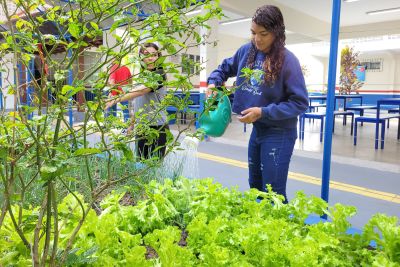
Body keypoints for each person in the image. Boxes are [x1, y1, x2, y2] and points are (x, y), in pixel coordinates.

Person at [207, 5, 309, 203]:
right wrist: (213, 82)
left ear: (277, 33)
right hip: (259, 130)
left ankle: (279, 230)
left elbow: (300, 102)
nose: (257, 39)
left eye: (264, 33)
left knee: (273, 193)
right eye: (253, 33)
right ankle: (261, 229)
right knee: (255, 185)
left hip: (279, 132)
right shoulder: (247, 52)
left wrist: (263, 112)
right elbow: (224, 68)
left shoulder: (288, 61)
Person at [106, 42, 169, 159]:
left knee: (154, 167)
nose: (150, 58)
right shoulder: (141, 76)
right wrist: (132, 124)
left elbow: (141, 91)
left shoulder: (160, 74)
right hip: (141, 127)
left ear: (159, 57)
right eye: (146, 54)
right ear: (140, 57)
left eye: (154, 55)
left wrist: (115, 100)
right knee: (140, 163)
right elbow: (138, 103)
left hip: (157, 127)